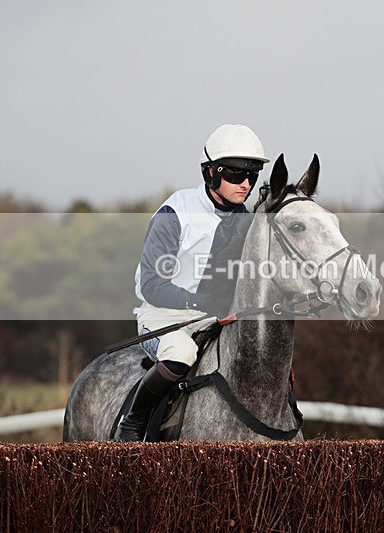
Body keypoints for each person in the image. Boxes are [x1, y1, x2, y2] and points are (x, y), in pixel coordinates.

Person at [114, 124, 268, 442]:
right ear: (211, 172)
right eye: (237, 175)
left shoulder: (246, 222)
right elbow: (151, 284)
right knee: (182, 353)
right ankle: (132, 423)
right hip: (164, 317)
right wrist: (198, 302)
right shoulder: (176, 211)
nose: (246, 184)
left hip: (213, 316)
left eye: (252, 175)